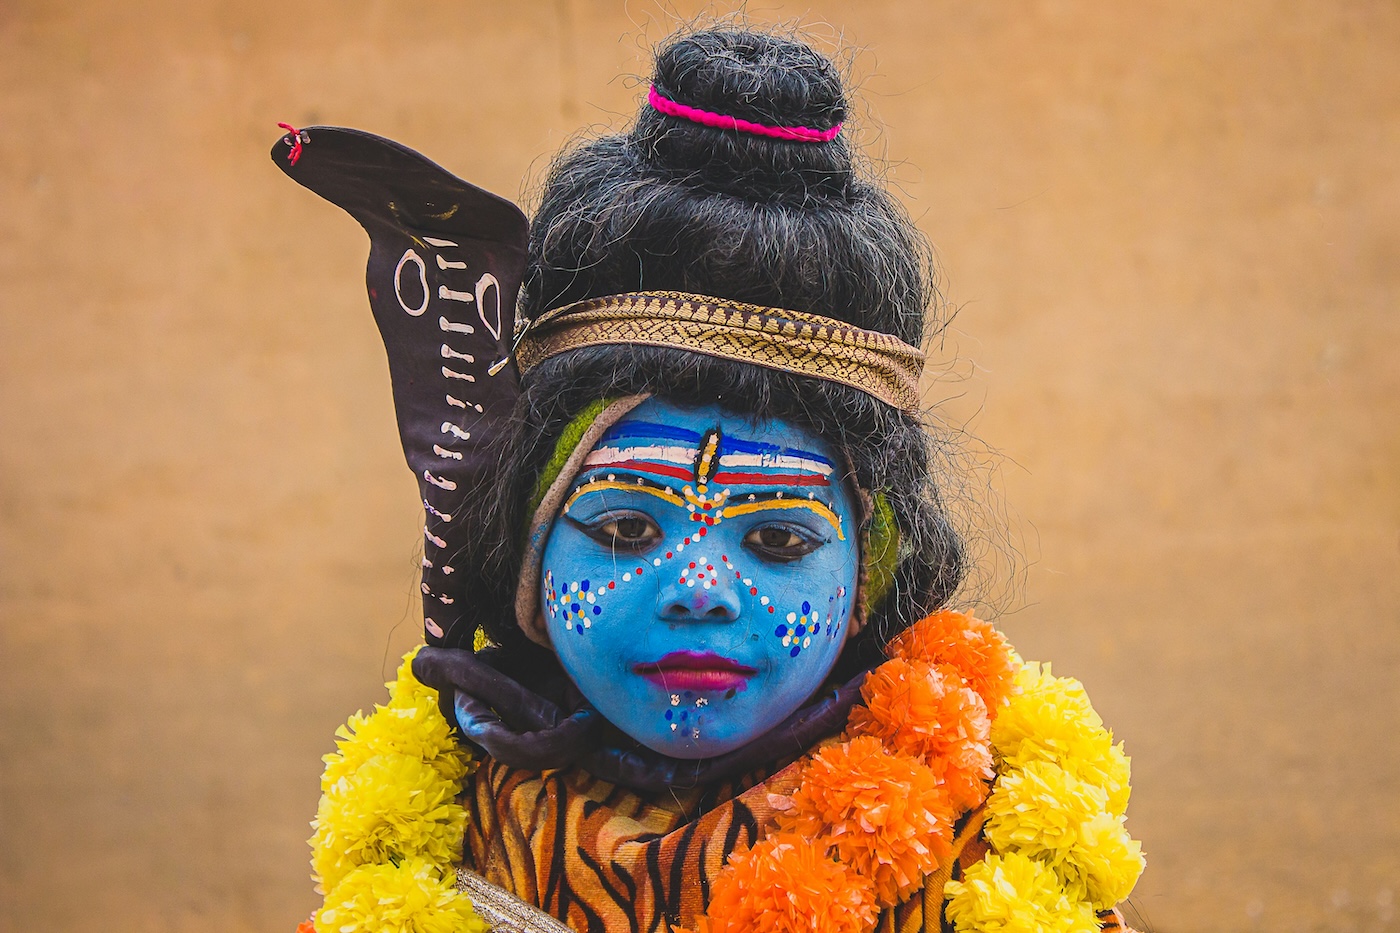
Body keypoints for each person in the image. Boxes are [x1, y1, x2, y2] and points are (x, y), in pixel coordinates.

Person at [276, 25, 1146, 933]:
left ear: (871, 566)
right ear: (527, 550)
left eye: (775, 538)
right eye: (624, 530)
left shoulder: (980, 848)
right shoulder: (446, 828)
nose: (700, 589)